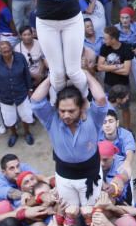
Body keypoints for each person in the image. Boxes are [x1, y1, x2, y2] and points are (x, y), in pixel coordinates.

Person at [30, 71, 108, 206]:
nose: (66, 115)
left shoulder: (93, 118)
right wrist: (52, 77)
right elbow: (36, 101)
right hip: (64, 176)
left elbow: (100, 98)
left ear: (82, 107)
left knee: (91, 211)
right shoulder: (51, 119)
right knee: (70, 212)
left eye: (71, 111)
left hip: (91, 173)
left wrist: (83, 72)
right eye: (62, 111)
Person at [0, 38, 36, 147]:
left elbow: (26, 75)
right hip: (5, 95)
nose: (7, 53)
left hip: (21, 92)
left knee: (26, 115)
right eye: (4, 52)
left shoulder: (20, 58)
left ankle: (27, 133)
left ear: (12, 49)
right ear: (0, 52)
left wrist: (30, 89)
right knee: (9, 119)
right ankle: (14, 134)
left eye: (9, 51)